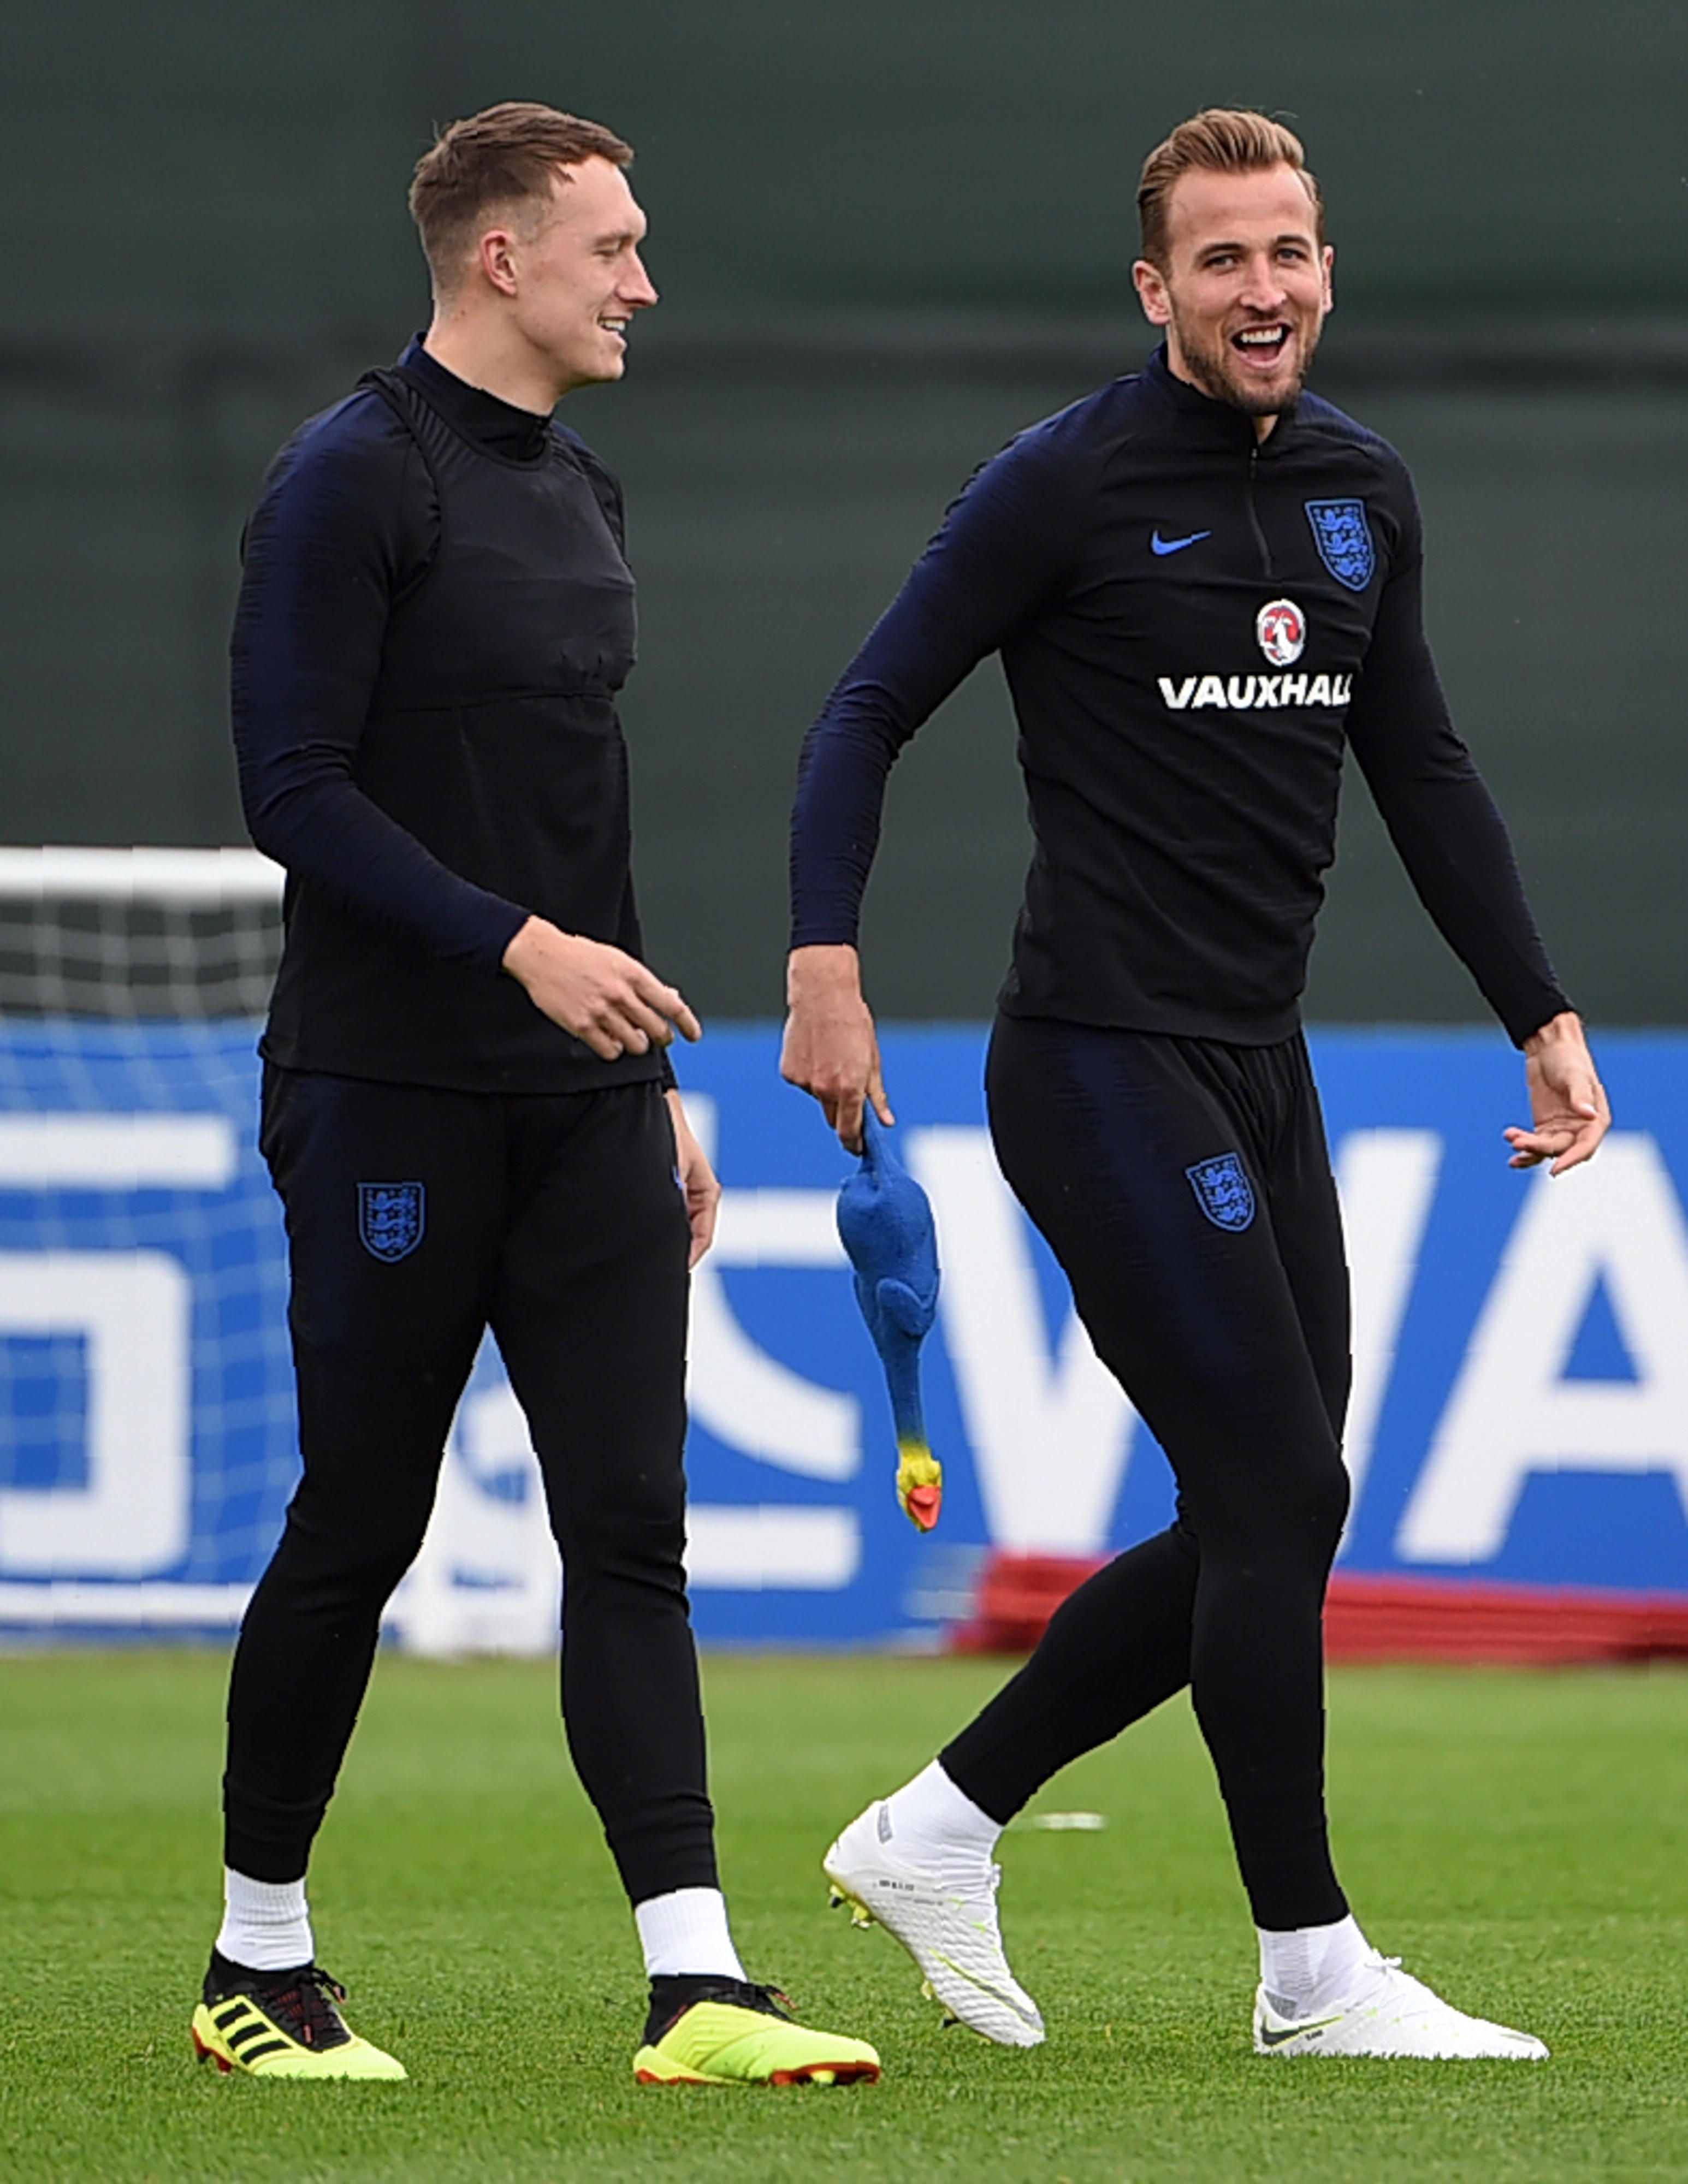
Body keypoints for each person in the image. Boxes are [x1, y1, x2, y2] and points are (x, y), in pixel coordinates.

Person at [781, 108, 1608, 2061]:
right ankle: (1309, 1974)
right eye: (1221, 259)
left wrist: (1537, 1007)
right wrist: (823, 965)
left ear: (1326, 271)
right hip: (1094, 1058)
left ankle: (938, 1827)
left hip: (1259, 1061)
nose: (1262, 289)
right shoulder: (1062, 483)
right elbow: (864, 710)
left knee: (1276, 1509)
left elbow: (1419, 762)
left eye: (1287, 253)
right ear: (1154, 288)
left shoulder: (1359, 489)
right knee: (1270, 1488)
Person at [194, 100, 878, 2091]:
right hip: (388, 1094)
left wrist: (642, 1067)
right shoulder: (348, 475)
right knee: (361, 1519)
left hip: (584, 1104)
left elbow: (579, 808)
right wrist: (518, 950)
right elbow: (292, 793)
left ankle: (697, 1982)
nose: (643, 281)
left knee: (632, 1528)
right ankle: (256, 1959)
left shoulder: (580, 482)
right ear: (502, 257)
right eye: (613, 248)